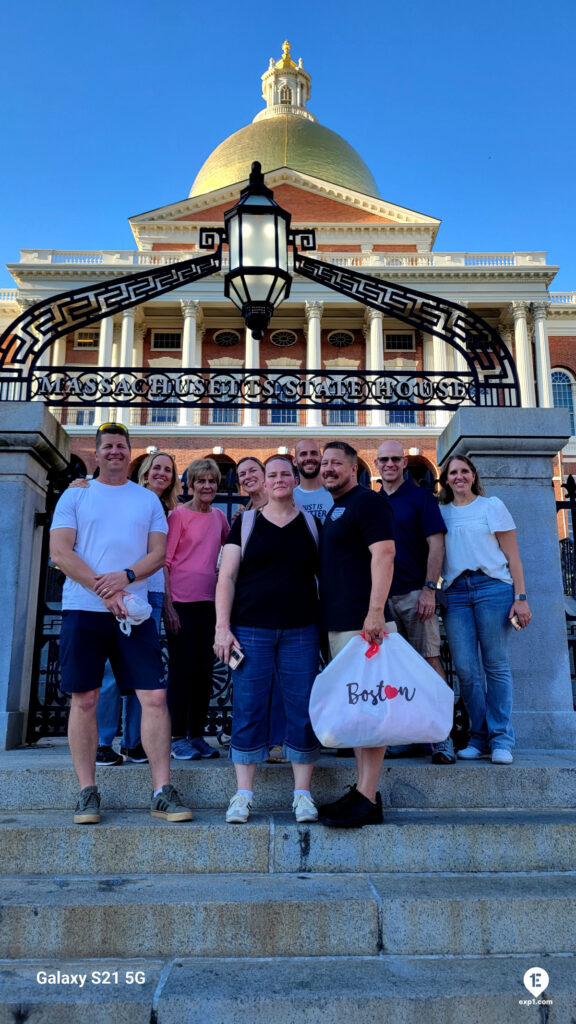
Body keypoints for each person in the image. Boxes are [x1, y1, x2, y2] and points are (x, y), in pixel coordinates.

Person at [50, 423, 192, 824]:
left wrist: (125, 579)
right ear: (96, 454)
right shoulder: (76, 494)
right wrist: (104, 590)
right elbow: (61, 551)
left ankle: (162, 790)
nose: (115, 452)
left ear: (131, 454)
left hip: (136, 612)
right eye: (108, 446)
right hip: (84, 610)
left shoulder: (146, 500)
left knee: (154, 698)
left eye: (121, 446)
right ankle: (87, 791)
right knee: (85, 699)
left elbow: (157, 555)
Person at [214, 456, 321, 824]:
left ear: (295, 479)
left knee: (302, 709)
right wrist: (222, 628)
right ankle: (243, 795)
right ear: (264, 480)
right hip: (250, 631)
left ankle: (302, 795)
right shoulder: (244, 523)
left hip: (301, 630)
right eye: (271, 474)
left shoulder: (311, 523)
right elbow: (226, 578)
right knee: (248, 707)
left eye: (283, 474)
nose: (278, 480)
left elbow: (329, 577)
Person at [317, 441, 396, 827]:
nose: (329, 468)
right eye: (325, 463)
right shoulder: (336, 508)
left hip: (362, 624)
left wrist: (375, 612)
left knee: (370, 707)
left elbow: (384, 554)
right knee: (358, 707)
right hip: (340, 623)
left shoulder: (368, 502)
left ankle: (367, 795)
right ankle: (363, 792)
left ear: (354, 468)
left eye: (337, 463)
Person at [438, 455, 532, 765]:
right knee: (466, 669)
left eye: (464, 471)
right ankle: (478, 737)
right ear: (446, 479)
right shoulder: (440, 512)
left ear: (474, 475)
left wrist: (521, 596)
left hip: (493, 588)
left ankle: (501, 738)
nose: (459, 476)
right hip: (455, 593)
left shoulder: (491, 506)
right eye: (453, 472)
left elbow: (514, 557)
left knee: (496, 665)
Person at [375, 439, 455, 765]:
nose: (390, 464)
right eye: (384, 460)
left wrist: (429, 589)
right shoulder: (372, 502)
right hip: (382, 598)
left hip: (414, 594)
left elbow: (436, 546)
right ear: (377, 465)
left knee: (429, 661)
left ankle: (443, 738)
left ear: (404, 464)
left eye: (396, 459)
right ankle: (411, 737)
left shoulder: (421, 498)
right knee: (394, 671)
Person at [164, 457, 230, 760]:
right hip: (181, 603)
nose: (207, 486)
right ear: (190, 484)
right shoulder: (178, 516)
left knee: (205, 671)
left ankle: (197, 734)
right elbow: (164, 564)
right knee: (181, 671)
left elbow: (231, 553)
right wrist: (169, 607)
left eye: (212, 481)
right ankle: (176, 736)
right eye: (201, 481)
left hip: (210, 604)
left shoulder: (219, 517)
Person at [235, 455, 286, 762]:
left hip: (285, 610)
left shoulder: (285, 508)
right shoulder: (243, 516)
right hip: (249, 608)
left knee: (280, 679)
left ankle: (279, 739)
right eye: (242, 474)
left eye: (253, 470)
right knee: (252, 678)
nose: (247, 476)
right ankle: (253, 740)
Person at [292, 438, 334, 522]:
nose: (309, 458)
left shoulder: (335, 494)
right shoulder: (289, 498)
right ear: (295, 461)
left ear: (321, 458)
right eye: (303, 454)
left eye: (313, 453)